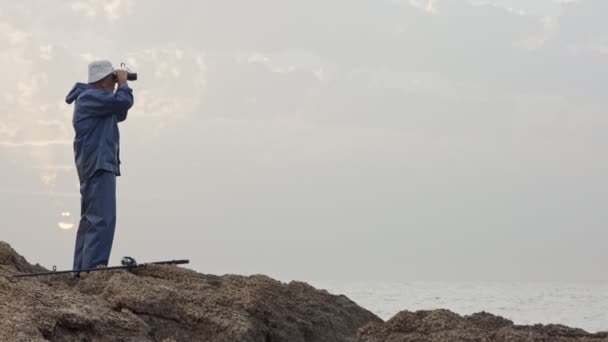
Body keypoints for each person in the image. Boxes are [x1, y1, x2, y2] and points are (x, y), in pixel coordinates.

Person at [65, 60, 134, 270]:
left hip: (94, 163)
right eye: (111, 78)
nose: (114, 82)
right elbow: (123, 102)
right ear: (103, 79)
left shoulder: (94, 100)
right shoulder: (90, 97)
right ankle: (94, 267)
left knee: (90, 219)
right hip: (98, 163)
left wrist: (120, 86)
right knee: (102, 218)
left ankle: (81, 270)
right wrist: (123, 84)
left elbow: (119, 113)